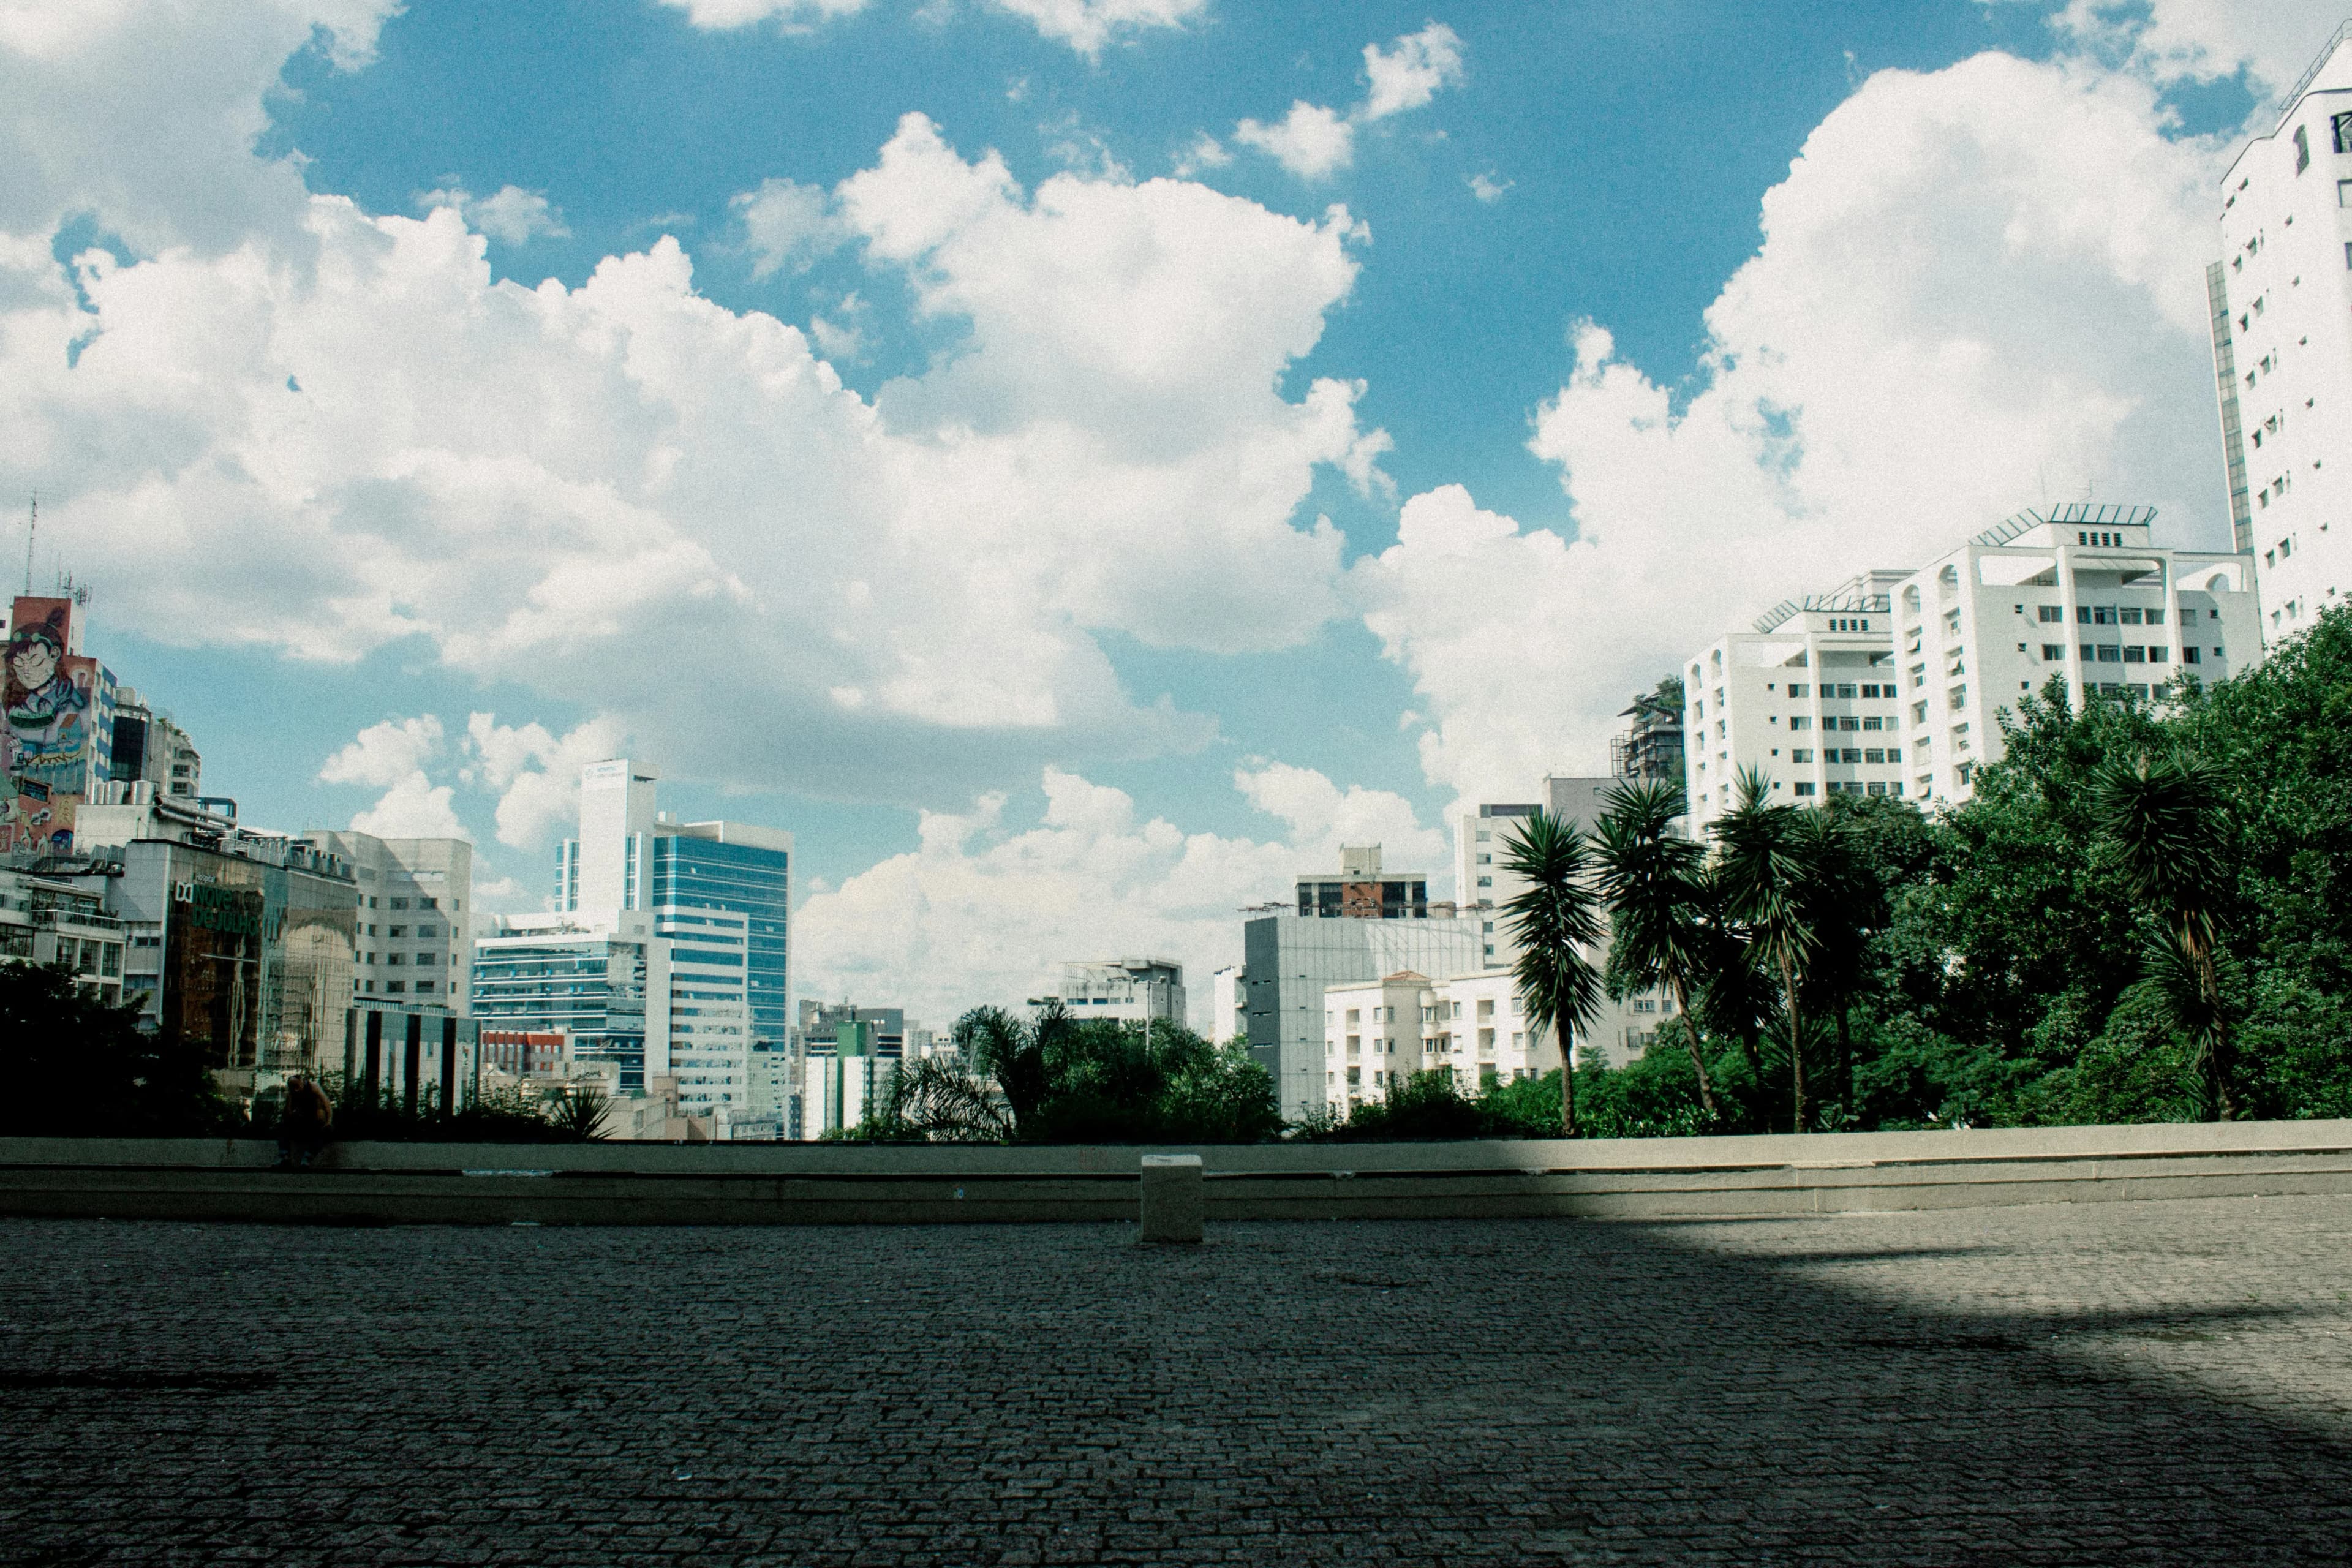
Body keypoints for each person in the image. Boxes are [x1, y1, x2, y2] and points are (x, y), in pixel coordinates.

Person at [277, 1075, 334, 1169]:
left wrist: (329, 1121)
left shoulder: (313, 1087)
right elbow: (288, 1114)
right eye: (293, 1088)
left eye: (297, 1087)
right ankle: (285, 1156)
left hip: (316, 1118)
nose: (296, 1090)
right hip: (303, 1120)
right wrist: (290, 1098)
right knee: (283, 1128)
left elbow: (327, 1104)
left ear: (302, 1082)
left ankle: (308, 1157)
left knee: (323, 1132)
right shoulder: (292, 1092)